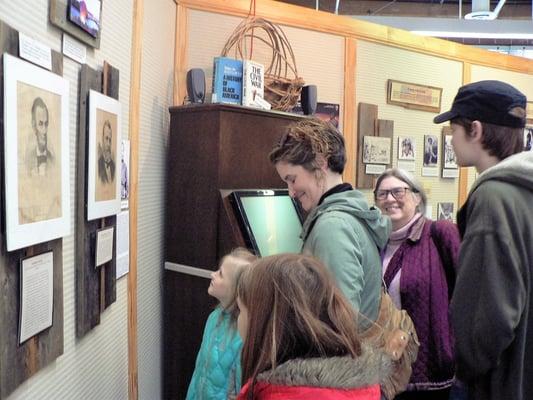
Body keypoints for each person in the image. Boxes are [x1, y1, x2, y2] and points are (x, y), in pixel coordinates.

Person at [433, 80, 533, 400]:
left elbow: (490, 316)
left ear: (475, 130)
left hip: (503, 383)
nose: (450, 141)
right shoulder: (524, 190)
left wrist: (467, 364)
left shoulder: (493, 198)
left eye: (453, 130)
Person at [269, 118, 391, 324]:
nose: (291, 192)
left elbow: (341, 320)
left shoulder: (333, 227)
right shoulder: (350, 215)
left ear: (320, 163)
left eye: (292, 179)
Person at [236, 253, 393, 399]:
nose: (237, 319)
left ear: (263, 322)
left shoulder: (279, 393)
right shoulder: (364, 390)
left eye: (240, 310)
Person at [373, 168, 460, 400]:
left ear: (417, 197)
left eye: (398, 192)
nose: (390, 199)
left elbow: (470, 293)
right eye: (382, 194)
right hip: (386, 368)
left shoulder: (440, 233)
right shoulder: (375, 243)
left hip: (432, 372)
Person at [186, 248, 257, 400]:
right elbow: (199, 371)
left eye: (221, 274)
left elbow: (242, 388)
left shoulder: (244, 334)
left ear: (236, 289)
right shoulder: (214, 317)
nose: (213, 274)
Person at [25, 97, 54, 177]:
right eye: (40, 124)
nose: (44, 131)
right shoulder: (28, 161)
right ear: (34, 127)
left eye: (46, 124)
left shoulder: (52, 160)